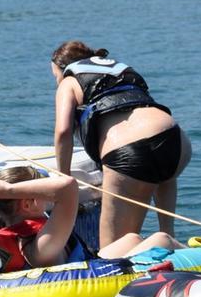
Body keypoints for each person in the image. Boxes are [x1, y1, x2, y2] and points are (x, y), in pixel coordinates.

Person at [50, 40, 190, 251]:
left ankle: (161, 243)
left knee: (112, 252)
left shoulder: (69, 81)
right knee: (162, 182)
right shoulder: (120, 70)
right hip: (176, 142)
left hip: (131, 154)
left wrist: (63, 180)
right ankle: (168, 238)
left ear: (63, 69)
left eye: (55, 76)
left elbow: (63, 132)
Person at [0, 163, 183, 273]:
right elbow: (67, 188)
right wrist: (8, 190)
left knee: (132, 238)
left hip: (92, 259)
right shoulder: (41, 245)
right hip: (93, 274)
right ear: (28, 203)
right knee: (162, 238)